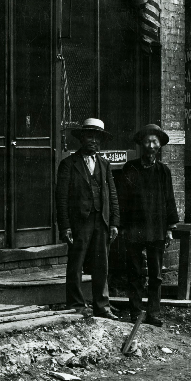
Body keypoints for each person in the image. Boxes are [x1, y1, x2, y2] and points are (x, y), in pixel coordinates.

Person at [55, 118, 120, 319]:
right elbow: (62, 198)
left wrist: (115, 222)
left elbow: (113, 194)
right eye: (89, 136)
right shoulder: (68, 164)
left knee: (102, 264)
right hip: (79, 222)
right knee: (76, 262)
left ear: (101, 141)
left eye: (97, 137)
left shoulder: (104, 164)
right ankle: (76, 304)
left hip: (101, 220)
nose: (93, 140)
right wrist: (65, 226)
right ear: (82, 138)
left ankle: (102, 306)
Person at [118, 124, 179, 327]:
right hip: (134, 228)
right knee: (134, 272)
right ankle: (135, 312)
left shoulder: (164, 172)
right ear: (141, 145)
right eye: (147, 141)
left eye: (155, 142)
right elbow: (123, 200)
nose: (151, 145)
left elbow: (170, 200)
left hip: (157, 228)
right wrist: (123, 227)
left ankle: (153, 312)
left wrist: (170, 228)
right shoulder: (130, 168)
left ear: (159, 146)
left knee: (156, 274)